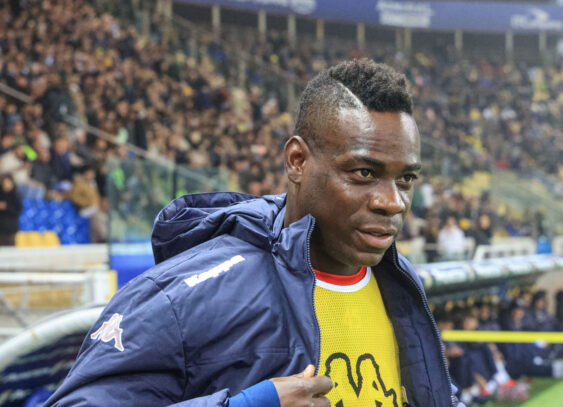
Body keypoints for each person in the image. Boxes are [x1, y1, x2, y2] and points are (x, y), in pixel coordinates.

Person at [46, 60, 462, 407]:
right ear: (297, 160)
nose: (393, 202)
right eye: (364, 173)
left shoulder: (399, 279)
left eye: (405, 179)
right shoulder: (186, 293)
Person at [0, 174, 21, 246]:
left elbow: (18, 210)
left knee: (11, 251)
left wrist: (6, 207)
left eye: (8, 182)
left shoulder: (15, 195)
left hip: (11, 229)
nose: (6, 184)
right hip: (1, 229)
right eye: (4, 182)